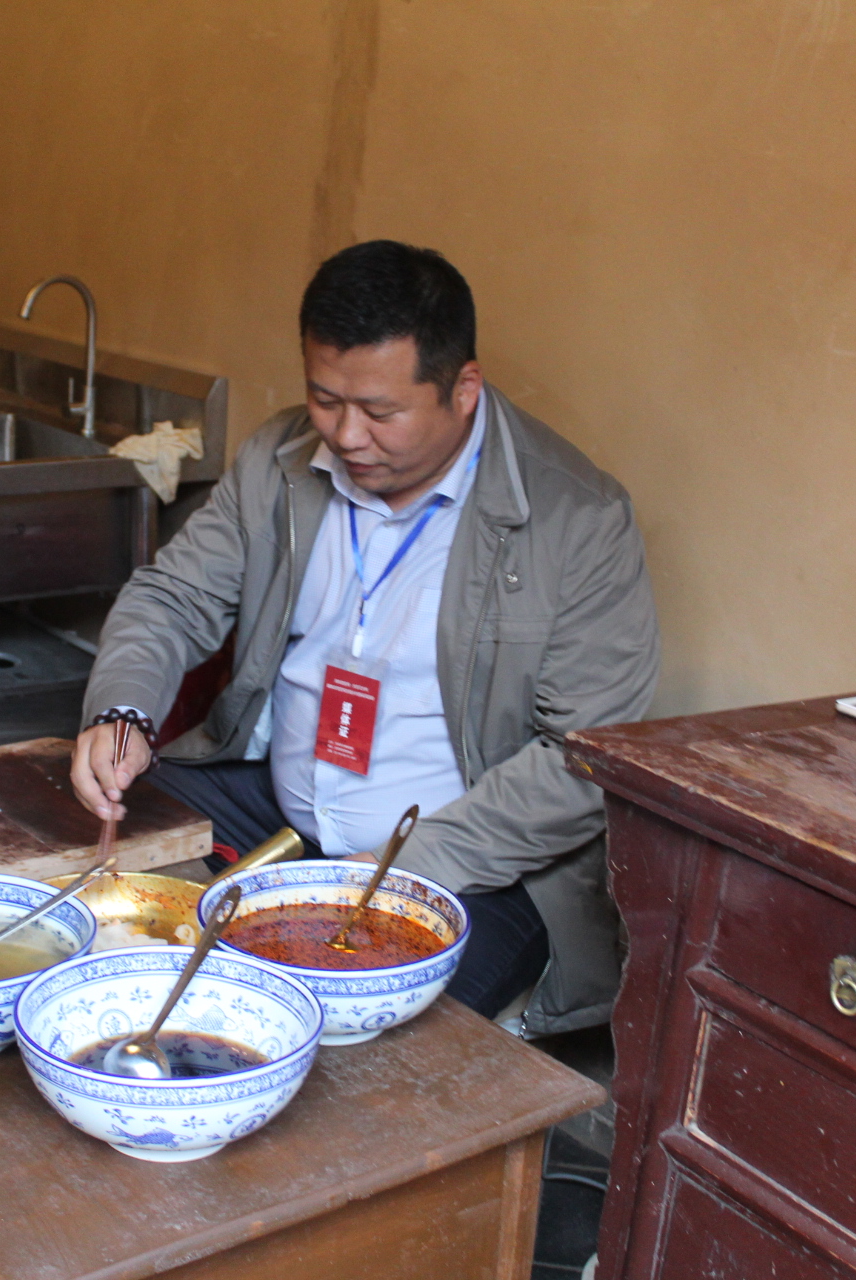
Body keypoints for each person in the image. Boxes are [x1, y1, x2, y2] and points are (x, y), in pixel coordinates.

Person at [69, 240, 659, 1035]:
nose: (346, 436)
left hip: (466, 866)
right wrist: (124, 712)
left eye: (380, 412)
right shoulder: (276, 462)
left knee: (335, 1042)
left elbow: (585, 759)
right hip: (273, 806)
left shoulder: (577, 522)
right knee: (83, 915)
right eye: (324, 399)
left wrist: (397, 872)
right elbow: (173, 596)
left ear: (463, 389)